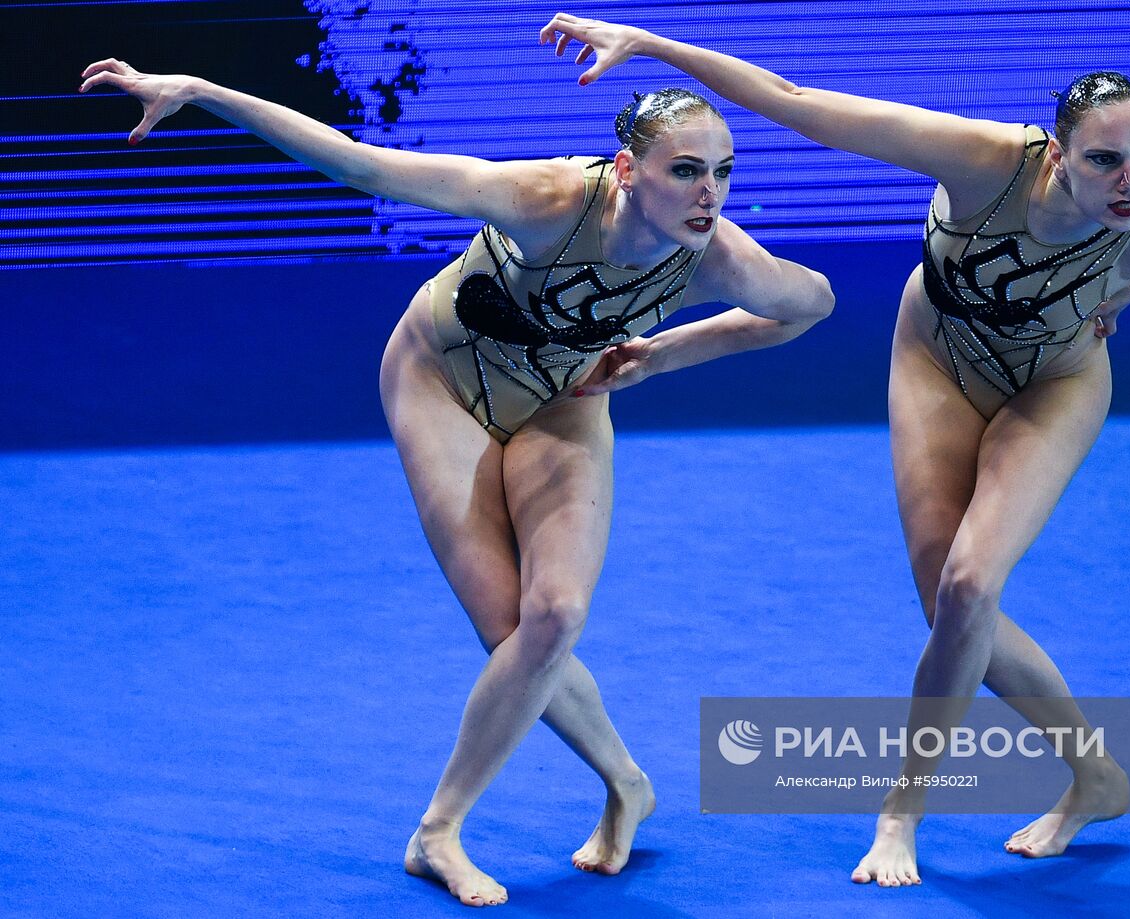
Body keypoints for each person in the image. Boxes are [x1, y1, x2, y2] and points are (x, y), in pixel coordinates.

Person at [539, 13, 1130, 887]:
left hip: (1058, 380)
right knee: (951, 606)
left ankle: (902, 813)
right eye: (1104, 160)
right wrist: (654, 44)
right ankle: (1096, 774)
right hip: (935, 355)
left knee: (973, 583)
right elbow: (795, 100)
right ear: (1053, 153)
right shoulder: (984, 160)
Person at [79, 58, 833, 907]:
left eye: (724, 171)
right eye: (686, 170)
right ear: (628, 170)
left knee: (554, 616)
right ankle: (538, 803)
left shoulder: (717, 259)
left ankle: (528, 807)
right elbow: (358, 162)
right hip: (441, 381)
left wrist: (663, 354)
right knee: (507, 625)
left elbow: (811, 304)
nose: (710, 194)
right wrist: (204, 90)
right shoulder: (549, 201)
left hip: (564, 397)